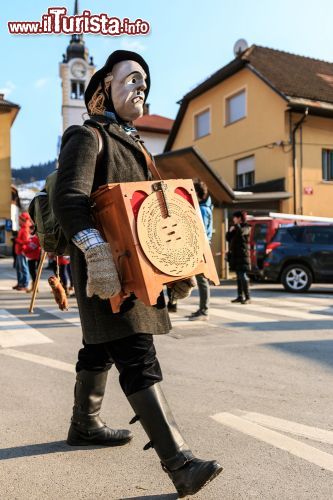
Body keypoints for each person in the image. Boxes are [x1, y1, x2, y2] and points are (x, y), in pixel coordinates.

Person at [54, 50, 222, 497]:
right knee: (136, 353)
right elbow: (68, 200)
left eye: (144, 80)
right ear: (102, 90)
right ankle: (180, 463)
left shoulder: (136, 143)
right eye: (130, 78)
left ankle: (84, 425)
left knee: (100, 347)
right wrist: (95, 252)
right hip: (108, 272)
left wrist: (174, 266)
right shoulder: (88, 136)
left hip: (136, 271)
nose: (140, 86)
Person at [188, 179, 213, 321]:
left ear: (196, 192)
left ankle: (204, 311)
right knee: (200, 279)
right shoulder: (204, 207)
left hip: (202, 246)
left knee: (202, 279)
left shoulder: (203, 209)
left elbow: (200, 230)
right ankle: (203, 309)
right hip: (202, 245)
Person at [226, 210, 251, 304]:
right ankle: (240, 296)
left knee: (243, 276)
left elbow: (241, 233)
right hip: (235, 256)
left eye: (234, 217)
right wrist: (229, 231)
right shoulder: (235, 227)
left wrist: (236, 227)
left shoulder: (247, 227)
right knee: (239, 277)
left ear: (239, 218)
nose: (233, 219)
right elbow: (228, 238)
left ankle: (248, 297)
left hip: (243, 255)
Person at [13, 212, 30, 291]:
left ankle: (25, 284)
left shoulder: (25, 228)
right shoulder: (22, 228)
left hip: (22, 251)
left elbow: (26, 241)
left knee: (23, 268)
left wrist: (16, 240)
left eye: (20, 219)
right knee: (18, 268)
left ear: (23, 220)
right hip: (18, 251)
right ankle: (20, 283)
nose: (19, 221)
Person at [23, 225, 41, 293]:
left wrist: (24, 249)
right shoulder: (31, 237)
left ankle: (35, 287)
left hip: (34, 257)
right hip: (30, 256)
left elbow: (31, 246)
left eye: (31, 229)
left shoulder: (36, 238)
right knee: (32, 272)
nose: (30, 231)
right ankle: (34, 287)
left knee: (33, 272)